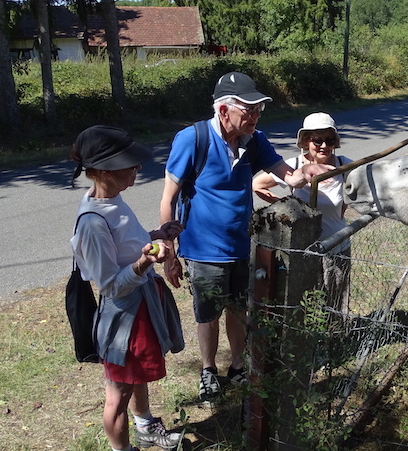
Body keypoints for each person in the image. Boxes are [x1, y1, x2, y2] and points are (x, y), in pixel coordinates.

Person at [160, 72, 331, 403]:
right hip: (204, 251)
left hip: (242, 245)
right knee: (208, 313)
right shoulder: (191, 139)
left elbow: (288, 177)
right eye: (249, 109)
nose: (255, 116)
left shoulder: (254, 139)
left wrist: (305, 172)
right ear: (224, 111)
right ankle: (208, 370)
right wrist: (168, 253)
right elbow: (168, 198)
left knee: (239, 310)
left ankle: (237, 366)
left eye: (258, 109)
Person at [70, 125, 184, 451]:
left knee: (137, 377)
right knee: (117, 395)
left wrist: (156, 234)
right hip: (123, 319)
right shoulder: (92, 223)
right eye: (130, 165)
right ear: (104, 170)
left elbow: (127, 246)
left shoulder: (113, 200)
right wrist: (145, 262)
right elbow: (109, 286)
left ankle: (146, 427)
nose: (137, 169)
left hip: (139, 306)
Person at [253, 112, 353, 319]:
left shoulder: (344, 165)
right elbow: (257, 184)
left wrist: (343, 208)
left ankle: (334, 340)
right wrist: (289, 208)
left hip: (337, 247)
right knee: (305, 301)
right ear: (306, 141)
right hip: (304, 248)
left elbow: (360, 190)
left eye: (329, 139)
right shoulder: (295, 166)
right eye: (317, 140)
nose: (324, 145)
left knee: (336, 301)